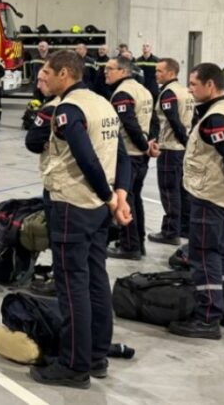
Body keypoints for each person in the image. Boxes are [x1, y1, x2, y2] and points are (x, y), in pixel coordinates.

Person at [27, 50, 131, 389]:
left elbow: (87, 159)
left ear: (65, 73)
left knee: (72, 287)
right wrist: (120, 195)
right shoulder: (103, 103)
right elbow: (121, 155)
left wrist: (107, 195)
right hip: (98, 208)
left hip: (74, 204)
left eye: (48, 72)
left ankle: (74, 365)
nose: (44, 78)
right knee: (95, 278)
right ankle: (97, 353)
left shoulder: (68, 110)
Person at [169, 63, 224, 340]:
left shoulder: (216, 118)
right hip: (222, 195)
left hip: (210, 196)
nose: (190, 89)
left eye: (193, 84)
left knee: (203, 257)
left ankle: (207, 317)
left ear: (210, 85)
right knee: (220, 254)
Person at [104, 56, 153, 260]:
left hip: (131, 154)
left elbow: (130, 124)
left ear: (123, 72)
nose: (105, 71)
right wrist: (148, 144)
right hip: (140, 154)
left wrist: (143, 146)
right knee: (135, 198)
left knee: (126, 200)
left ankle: (129, 245)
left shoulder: (123, 93)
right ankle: (138, 242)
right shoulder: (142, 89)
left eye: (110, 68)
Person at [147, 58, 195, 246]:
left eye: (159, 71)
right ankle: (184, 227)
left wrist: (183, 140)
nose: (156, 74)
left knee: (169, 191)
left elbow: (174, 122)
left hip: (171, 148)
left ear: (170, 73)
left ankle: (170, 231)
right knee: (183, 191)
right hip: (182, 148)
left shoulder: (169, 93)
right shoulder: (185, 91)